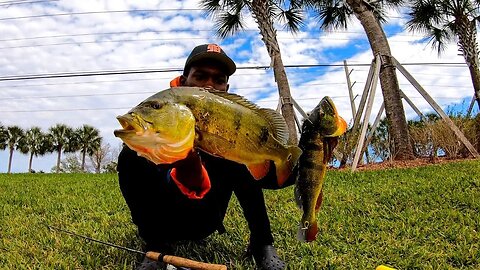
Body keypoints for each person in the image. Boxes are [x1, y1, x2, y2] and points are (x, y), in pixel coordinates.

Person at [117, 44, 297, 270]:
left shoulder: (235, 130)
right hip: (166, 222)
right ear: (183, 83)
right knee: (129, 155)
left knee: (240, 158)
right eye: (200, 77)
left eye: (218, 80)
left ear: (227, 88)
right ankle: (156, 244)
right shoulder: (164, 123)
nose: (209, 86)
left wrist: (309, 160)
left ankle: (262, 244)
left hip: (207, 222)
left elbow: (271, 179)